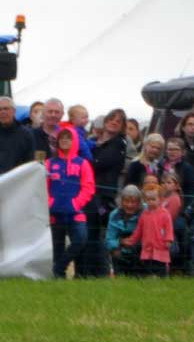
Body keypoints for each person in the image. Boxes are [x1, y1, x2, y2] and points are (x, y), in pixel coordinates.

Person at [85, 108, 130, 275]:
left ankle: (102, 271)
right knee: (89, 232)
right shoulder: (95, 142)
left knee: (98, 232)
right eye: (111, 119)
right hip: (89, 192)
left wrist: (86, 159)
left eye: (118, 121)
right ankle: (86, 270)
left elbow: (98, 163)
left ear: (122, 126)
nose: (114, 122)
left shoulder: (119, 143)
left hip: (103, 197)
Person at [45, 127, 94, 277]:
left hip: (75, 213)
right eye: (62, 138)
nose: (65, 140)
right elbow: (42, 187)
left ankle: (60, 267)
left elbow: (89, 187)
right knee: (57, 247)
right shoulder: (49, 163)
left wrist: (76, 203)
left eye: (68, 137)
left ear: (74, 141)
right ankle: (58, 277)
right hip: (55, 213)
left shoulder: (82, 163)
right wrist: (50, 202)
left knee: (80, 240)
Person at [131, 183, 174, 276]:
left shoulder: (165, 213)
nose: (150, 202)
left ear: (160, 199)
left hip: (160, 245)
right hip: (147, 246)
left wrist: (168, 239)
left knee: (160, 266)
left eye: (153, 199)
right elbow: (139, 229)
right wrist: (133, 240)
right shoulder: (144, 214)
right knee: (148, 267)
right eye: (148, 200)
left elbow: (169, 227)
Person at [105, 185, 144, 275]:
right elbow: (109, 239)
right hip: (122, 250)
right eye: (126, 201)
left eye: (133, 202)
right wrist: (120, 242)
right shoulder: (114, 215)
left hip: (141, 250)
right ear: (121, 201)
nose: (129, 205)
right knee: (115, 253)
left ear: (139, 203)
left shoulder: (146, 212)